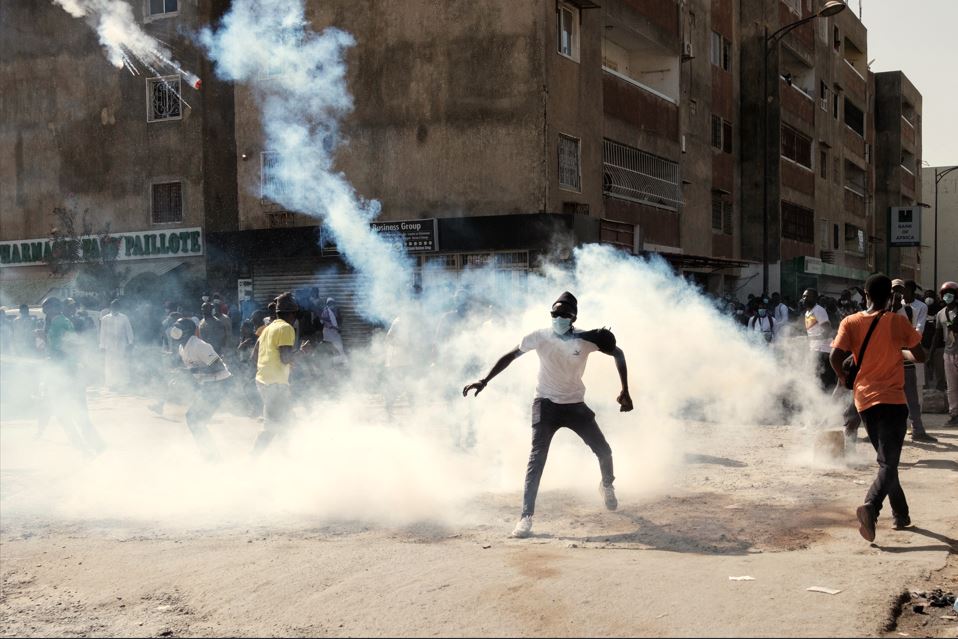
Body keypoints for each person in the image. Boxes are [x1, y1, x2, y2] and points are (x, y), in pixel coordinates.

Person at [463, 292, 633, 539]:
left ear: (573, 317)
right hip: (545, 404)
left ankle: (607, 485)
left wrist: (625, 390)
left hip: (575, 405)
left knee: (604, 450)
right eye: (555, 313)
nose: (559, 317)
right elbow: (510, 356)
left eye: (564, 314)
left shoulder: (586, 340)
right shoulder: (539, 337)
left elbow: (618, 353)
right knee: (537, 459)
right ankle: (525, 518)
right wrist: (484, 380)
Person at [829, 274, 926, 542]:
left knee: (887, 461)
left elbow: (835, 356)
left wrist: (843, 378)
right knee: (888, 462)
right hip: (893, 401)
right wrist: (901, 351)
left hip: (865, 402)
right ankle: (871, 506)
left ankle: (901, 515)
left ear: (865, 294)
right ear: (891, 296)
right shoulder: (898, 322)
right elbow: (921, 356)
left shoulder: (850, 322)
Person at [38, 297, 105, 455]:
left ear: (53, 309)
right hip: (71, 372)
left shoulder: (58, 323)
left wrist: (43, 338)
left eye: (46, 309)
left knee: (63, 413)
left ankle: (82, 446)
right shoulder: (63, 321)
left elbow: (59, 348)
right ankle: (94, 444)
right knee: (78, 411)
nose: (45, 313)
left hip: (64, 373)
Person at [250, 293, 310, 454]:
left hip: (264, 381)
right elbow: (285, 358)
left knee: (286, 421)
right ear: (291, 314)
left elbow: (254, 356)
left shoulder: (267, 329)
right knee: (273, 426)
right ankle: (252, 460)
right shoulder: (285, 328)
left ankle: (285, 456)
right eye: (295, 315)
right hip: (275, 384)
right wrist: (303, 352)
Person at [169, 317, 230, 461]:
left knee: (194, 419)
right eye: (174, 327)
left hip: (219, 384)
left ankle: (212, 457)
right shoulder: (182, 347)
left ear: (187, 331)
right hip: (207, 385)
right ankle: (211, 454)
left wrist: (190, 372)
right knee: (195, 420)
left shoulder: (200, 345)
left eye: (178, 328)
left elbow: (218, 367)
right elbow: (193, 370)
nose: (174, 331)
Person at [891, 280, 937, 443]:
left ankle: (916, 427)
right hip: (889, 355)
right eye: (894, 291)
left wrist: (900, 311)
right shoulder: (887, 306)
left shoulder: (919, 307)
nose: (897, 294)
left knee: (913, 392)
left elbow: (918, 331)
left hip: (909, 352)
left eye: (900, 290)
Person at [934, 281, 958, 426]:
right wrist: (930, 354)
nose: (947, 296)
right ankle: (954, 414)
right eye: (945, 294)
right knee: (951, 387)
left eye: (951, 293)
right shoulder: (940, 314)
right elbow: (937, 335)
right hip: (948, 353)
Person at [801, 288, 835, 389]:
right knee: (815, 380)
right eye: (803, 296)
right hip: (815, 350)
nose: (804, 298)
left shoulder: (819, 310)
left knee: (824, 382)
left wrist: (809, 338)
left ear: (815, 298)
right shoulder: (808, 313)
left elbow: (828, 331)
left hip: (823, 351)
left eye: (807, 296)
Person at [98, 299, 134, 390]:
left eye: (117, 307)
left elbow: (129, 330)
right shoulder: (105, 318)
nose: (115, 308)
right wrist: (102, 346)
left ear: (119, 308)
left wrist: (130, 342)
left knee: (122, 363)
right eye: (113, 306)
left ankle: (123, 383)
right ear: (111, 307)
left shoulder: (124, 317)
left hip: (121, 344)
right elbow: (102, 333)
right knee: (110, 364)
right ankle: (111, 383)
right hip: (109, 344)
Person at [319, 297, 346, 362]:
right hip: (328, 332)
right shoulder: (325, 311)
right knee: (330, 346)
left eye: (332, 303)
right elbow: (326, 323)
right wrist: (336, 328)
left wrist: (339, 327)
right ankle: (332, 361)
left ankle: (340, 360)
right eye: (329, 303)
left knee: (339, 346)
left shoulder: (336, 311)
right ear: (327, 304)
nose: (331, 305)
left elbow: (339, 320)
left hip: (335, 332)